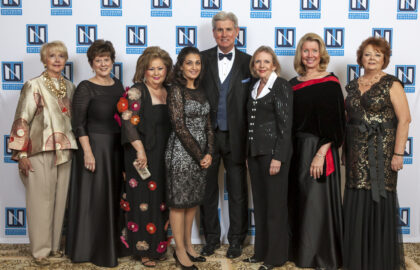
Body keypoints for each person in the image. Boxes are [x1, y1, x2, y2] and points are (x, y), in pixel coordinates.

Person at [343, 37, 410, 270]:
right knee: (356, 199)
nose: (371, 58)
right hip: (355, 152)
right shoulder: (352, 85)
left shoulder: (392, 84)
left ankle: (378, 260)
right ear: (361, 57)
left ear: (385, 59)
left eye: (377, 54)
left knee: (379, 199)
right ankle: (357, 259)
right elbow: (347, 118)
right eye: (368, 54)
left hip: (381, 152)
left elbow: (405, 119)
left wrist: (398, 154)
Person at [8, 41, 77, 266]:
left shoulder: (70, 86)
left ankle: (54, 248)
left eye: (61, 56)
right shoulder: (33, 85)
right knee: (40, 202)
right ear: (44, 59)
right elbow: (22, 119)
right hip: (39, 151)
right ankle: (40, 251)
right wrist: (22, 155)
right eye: (52, 56)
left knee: (60, 203)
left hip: (66, 150)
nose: (57, 60)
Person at [288, 33, 346, 270]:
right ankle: (302, 254)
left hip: (319, 149)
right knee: (301, 201)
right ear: (300, 54)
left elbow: (336, 124)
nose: (310, 55)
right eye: (305, 50)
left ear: (321, 54)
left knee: (317, 203)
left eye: (314, 50)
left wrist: (321, 154)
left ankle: (322, 256)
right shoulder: (292, 84)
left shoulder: (330, 83)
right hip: (297, 150)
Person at [65, 40, 124, 267]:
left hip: (115, 150)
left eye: (106, 59)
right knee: (94, 200)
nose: (102, 64)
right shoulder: (85, 87)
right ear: (91, 64)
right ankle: (88, 249)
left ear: (112, 61)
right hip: (94, 148)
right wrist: (87, 153)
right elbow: (78, 124)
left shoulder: (118, 85)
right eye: (97, 60)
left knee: (111, 198)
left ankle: (110, 247)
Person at [200, 11, 252, 259]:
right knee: (207, 190)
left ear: (237, 32)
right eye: (219, 30)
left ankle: (236, 240)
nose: (224, 34)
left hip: (236, 137)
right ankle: (210, 239)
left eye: (228, 29)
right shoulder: (199, 60)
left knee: (238, 191)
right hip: (207, 138)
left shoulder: (249, 62)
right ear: (213, 33)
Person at [117, 46, 172, 268]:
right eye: (152, 69)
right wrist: (140, 151)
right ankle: (143, 251)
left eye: (161, 68)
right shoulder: (137, 91)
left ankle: (158, 246)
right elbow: (128, 122)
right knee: (142, 202)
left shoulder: (169, 91)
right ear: (144, 70)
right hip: (141, 155)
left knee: (159, 202)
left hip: (163, 155)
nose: (157, 73)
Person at [242, 46, 293, 270]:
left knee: (275, 207)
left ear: (274, 65)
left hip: (273, 155)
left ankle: (276, 256)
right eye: (257, 62)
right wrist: (248, 153)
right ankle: (260, 251)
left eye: (266, 61)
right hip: (255, 155)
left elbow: (285, 124)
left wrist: (278, 157)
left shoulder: (280, 85)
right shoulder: (255, 86)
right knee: (261, 205)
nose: (261, 65)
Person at [165, 46, 214, 270]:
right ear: (181, 67)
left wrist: (210, 153)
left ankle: (188, 245)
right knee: (178, 203)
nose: (194, 67)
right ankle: (179, 249)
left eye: (198, 63)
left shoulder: (202, 91)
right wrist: (200, 154)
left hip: (201, 155)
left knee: (192, 200)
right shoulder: (176, 90)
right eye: (189, 63)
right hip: (181, 154)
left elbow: (208, 125)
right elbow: (179, 126)